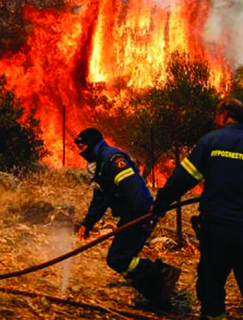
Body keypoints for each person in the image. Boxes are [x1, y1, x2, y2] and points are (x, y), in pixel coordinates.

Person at [152, 98, 243, 320]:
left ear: (224, 115)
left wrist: (160, 205)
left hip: (216, 231)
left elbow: (181, 179)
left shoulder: (210, 142)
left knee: (211, 287)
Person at [74, 127, 181, 309]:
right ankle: (159, 297)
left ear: (91, 143)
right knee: (121, 258)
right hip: (133, 213)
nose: (80, 150)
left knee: (118, 258)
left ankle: (162, 274)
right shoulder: (100, 164)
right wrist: (88, 223)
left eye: (82, 145)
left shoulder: (112, 159)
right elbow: (100, 198)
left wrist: (145, 216)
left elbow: (134, 188)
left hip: (140, 213)